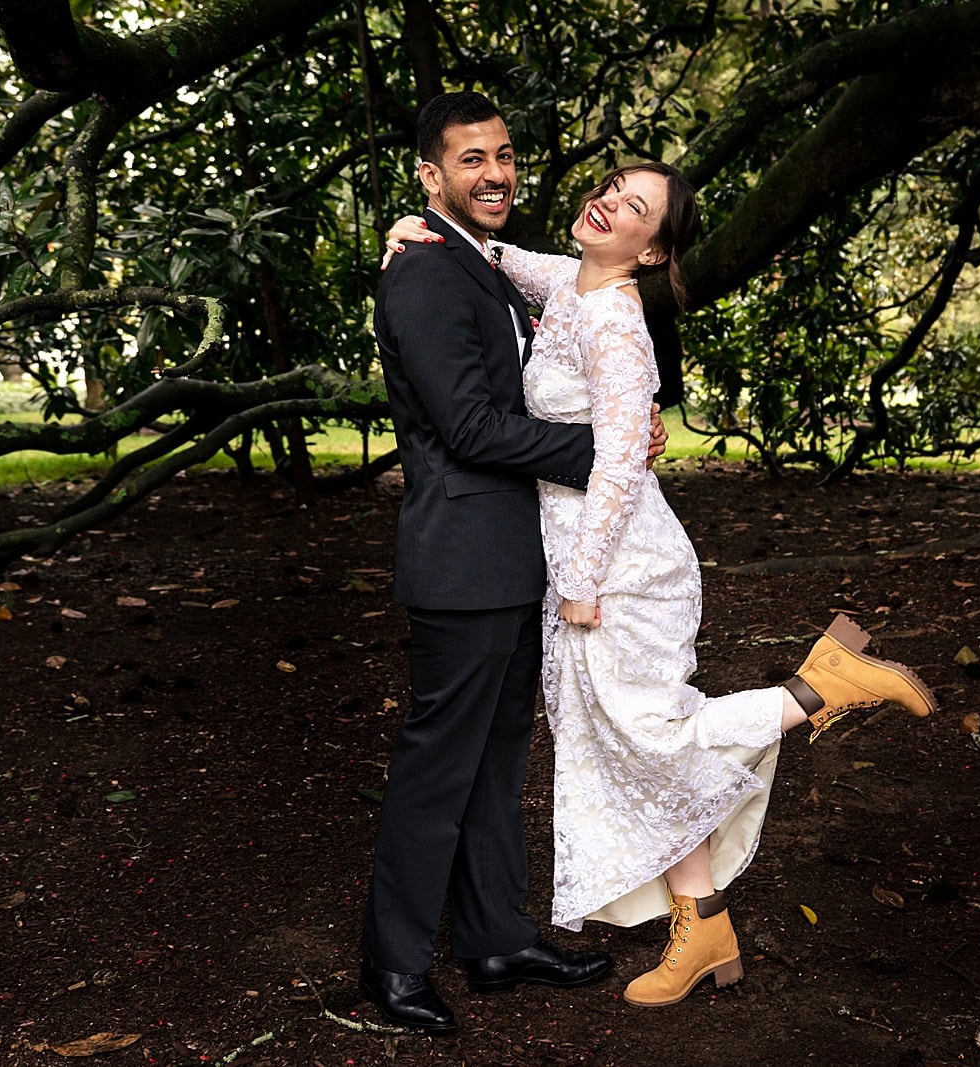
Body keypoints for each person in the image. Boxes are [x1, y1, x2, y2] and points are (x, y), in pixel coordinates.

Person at [381, 159, 936, 1008]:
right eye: (610, 187)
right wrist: (413, 230)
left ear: (651, 250)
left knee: (651, 733)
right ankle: (702, 921)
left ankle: (816, 689)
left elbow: (613, 471)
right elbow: (489, 256)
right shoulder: (567, 278)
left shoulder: (613, 322)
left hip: (620, 565)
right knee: (629, 741)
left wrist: (580, 578)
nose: (607, 204)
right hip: (589, 559)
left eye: (634, 208)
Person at [360, 92, 674, 1035]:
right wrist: (602, 450)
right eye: (470, 161)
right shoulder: (421, 276)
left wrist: (613, 431)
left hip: (519, 551)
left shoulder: (482, 263)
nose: (495, 173)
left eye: (503, 155)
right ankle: (392, 964)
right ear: (431, 174)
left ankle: (495, 936)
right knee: (437, 766)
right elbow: (463, 424)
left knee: (499, 759)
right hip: (461, 556)